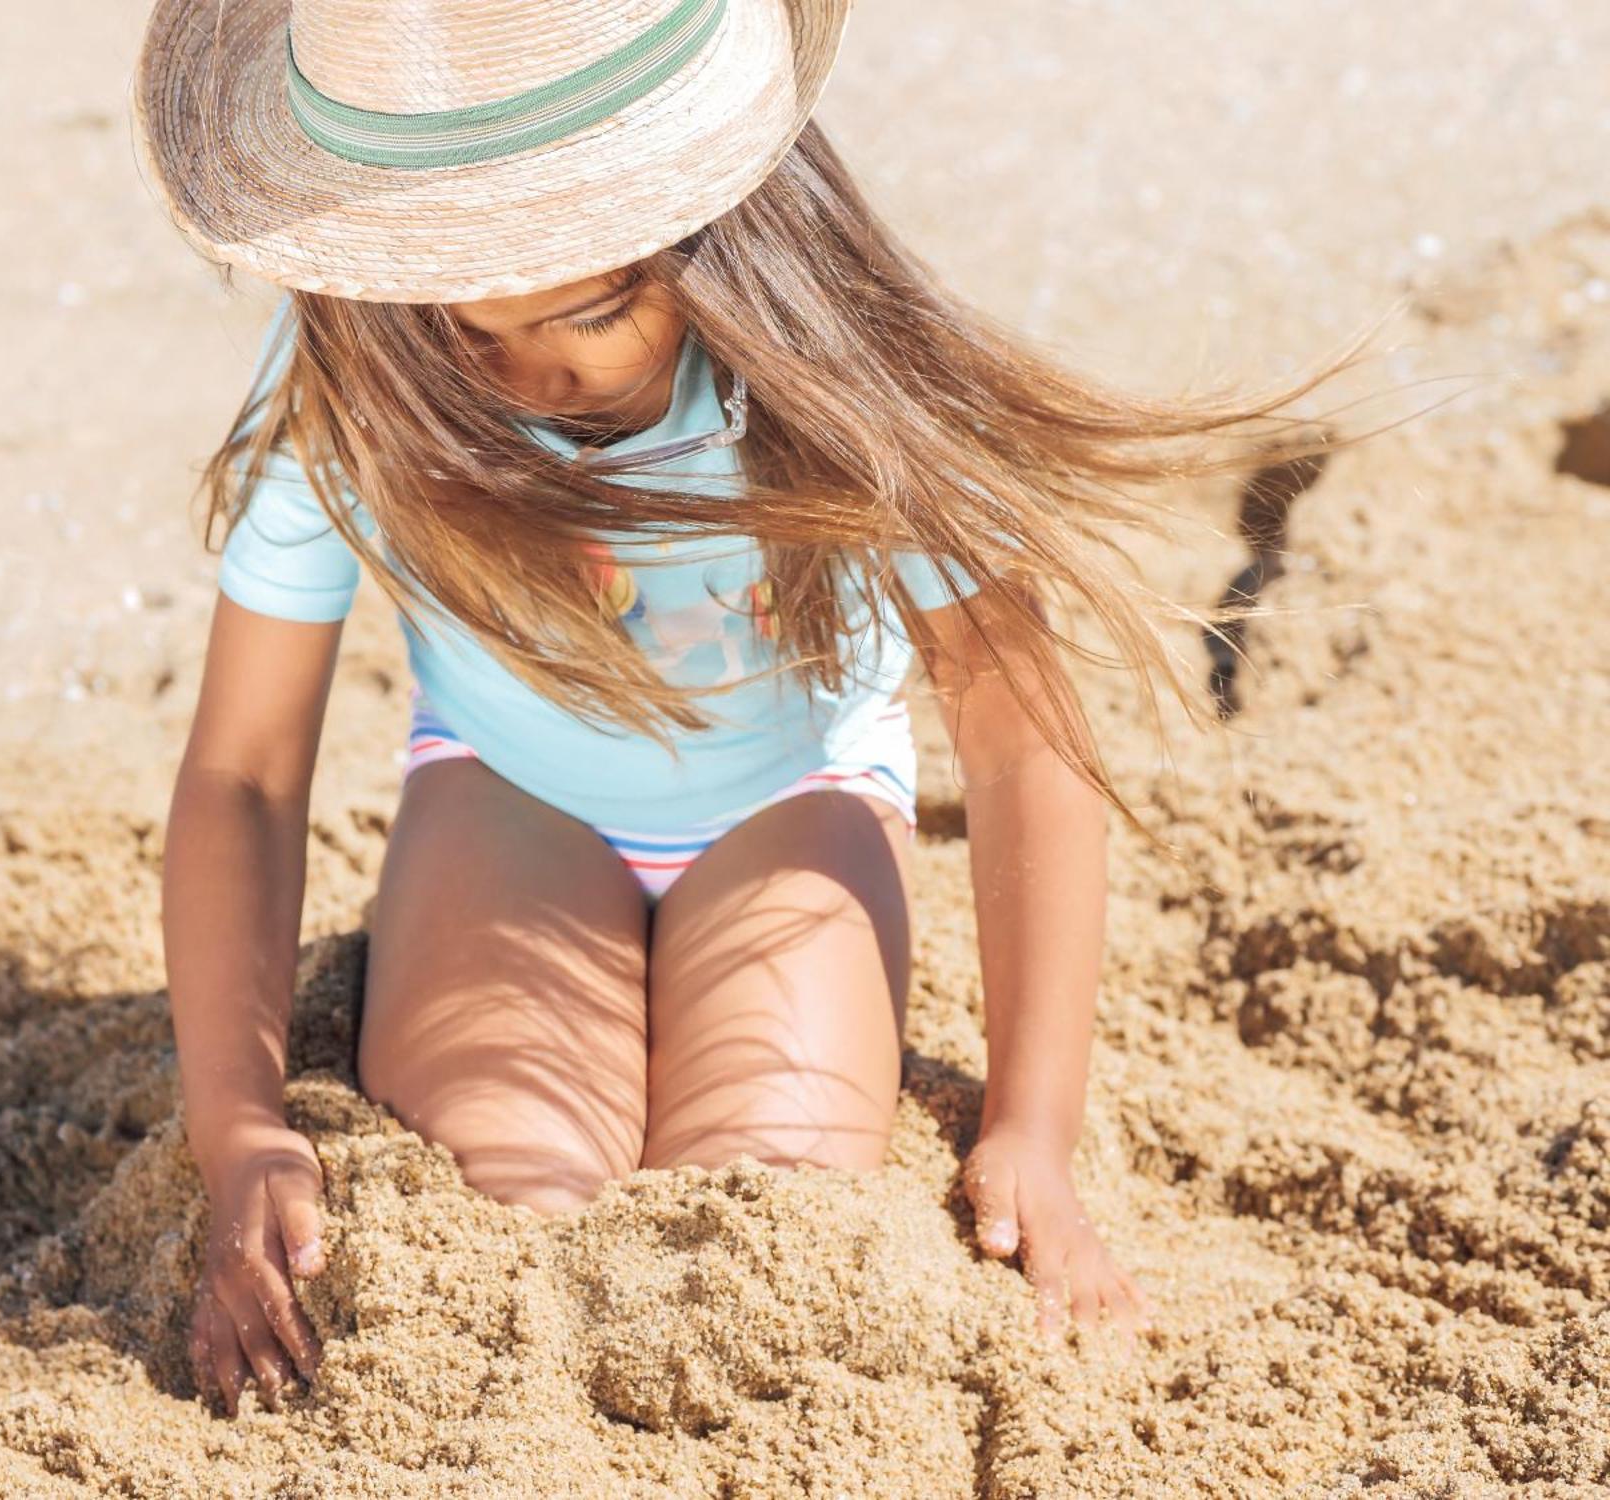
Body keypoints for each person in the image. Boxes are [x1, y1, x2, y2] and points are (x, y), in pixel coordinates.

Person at [133, 0, 1373, 1418]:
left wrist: (1036, 1128)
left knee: (764, 1193)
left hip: (790, 806)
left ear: (729, 227)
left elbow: (1025, 740)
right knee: (508, 1186)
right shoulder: (356, 384)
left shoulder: (842, 391)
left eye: (586, 314)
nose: (521, 379)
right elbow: (239, 774)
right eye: (449, 319)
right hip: (504, 790)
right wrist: (238, 1131)